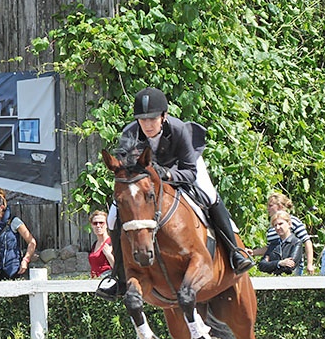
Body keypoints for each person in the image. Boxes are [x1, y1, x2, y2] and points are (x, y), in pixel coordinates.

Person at [96, 87, 252, 300]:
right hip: (147, 181)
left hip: (181, 168)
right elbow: (127, 169)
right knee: (114, 217)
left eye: (152, 119)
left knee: (209, 195)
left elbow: (190, 171)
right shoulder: (130, 133)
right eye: (143, 120)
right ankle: (118, 275)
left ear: (164, 116)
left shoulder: (178, 130)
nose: (148, 125)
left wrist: (167, 174)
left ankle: (235, 251)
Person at [252, 193, 314, 274]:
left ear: (280, 206)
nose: (267, 209)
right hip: (275, 266)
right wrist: (253, 252)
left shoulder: (293, 221)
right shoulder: (271, 227)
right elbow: (270, 249)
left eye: (270, 206)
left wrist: (309, 264)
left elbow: (306, 241)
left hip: (293, 265)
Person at [87, 209, 114, 278]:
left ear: (107, 224)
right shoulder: (94, 244)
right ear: (92, 225)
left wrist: (108, 255)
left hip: (107, 281)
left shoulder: (111, 243)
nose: (98, 226)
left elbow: (119, 268)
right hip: (94, 282)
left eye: (101, 223)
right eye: (95, 223)